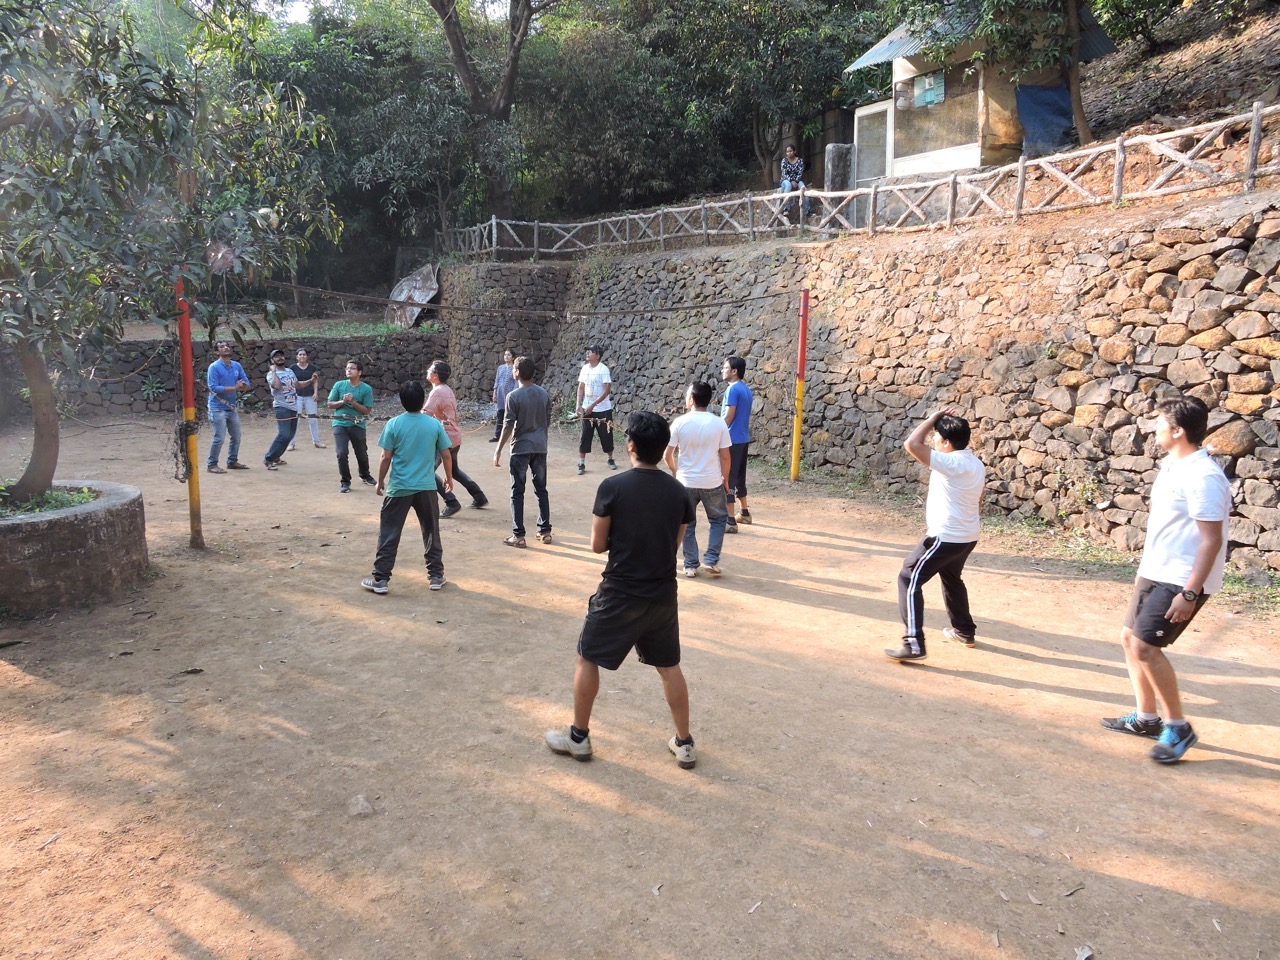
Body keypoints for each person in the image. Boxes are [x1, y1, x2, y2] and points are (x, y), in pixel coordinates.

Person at [544, 411, 698, 769]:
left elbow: (598, 545)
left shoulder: (612, 487)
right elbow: (674, 545)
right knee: (669, 667)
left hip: (619, 592)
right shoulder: (679, 492)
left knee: (587, 658)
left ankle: (579, 738)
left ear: (630, 445)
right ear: (664, 447)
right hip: (662, 594)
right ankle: (684, 742)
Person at [1101, 396, 1230, 764]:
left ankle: (1178, 727)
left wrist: (1190, 593)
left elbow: (1211, 541)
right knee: (1129, 639)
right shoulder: (1173, 464)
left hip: (1181, 579)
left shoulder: (1204, 477)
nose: (1153, 429)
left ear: (1177, 431)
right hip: (1156, 570)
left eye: (1159, 423)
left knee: (1145, 647)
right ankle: (1146, 718)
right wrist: (1145, 570)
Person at [885, 408, 986, 662]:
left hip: (945, 537)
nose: (933, 441)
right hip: (967, 536)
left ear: (947, 443)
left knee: (908, 578)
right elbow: (979, 500)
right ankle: (964, 631)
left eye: (937, 437)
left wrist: (931, 419)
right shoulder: (975, 463)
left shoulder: (951, 462)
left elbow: (911, 444)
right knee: (951, 578)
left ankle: (913, 644)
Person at [361, 380, 453, 595]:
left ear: (402, 401)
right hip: (426, 487)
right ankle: (436, 576)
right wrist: (449, 478)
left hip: (399, 487)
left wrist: (380, 481)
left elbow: (386, 457)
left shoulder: (393, 424)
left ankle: (380, 578)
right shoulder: (433, 425)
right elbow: (446, 454)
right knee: (431, 531)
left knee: (389, 532)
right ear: (423, 400)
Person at [665, 381, 732, 578]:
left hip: (686, 482)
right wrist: (725, 479)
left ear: (692, 399)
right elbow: (725, 456)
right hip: (712, 481)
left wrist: (676, 471)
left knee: (687, 523)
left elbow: (667, 454)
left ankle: (690, 564)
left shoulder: (679, 423)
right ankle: (711, 559)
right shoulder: (718, 423)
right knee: (718, 520)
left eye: (687, 395)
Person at [493, 356, 552, 548]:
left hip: (520, 448)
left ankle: (518, 535)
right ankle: (545, 531)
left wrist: (498, 450)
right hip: (540, 446)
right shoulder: (543, 393)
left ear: (517, 372)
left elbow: (508, 426)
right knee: (541, 489)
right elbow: (547, 419)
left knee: (517, 491)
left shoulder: (513, 396)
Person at [425, 359, 488, 516]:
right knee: (454, 471)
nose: (427, 371)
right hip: (454, 436)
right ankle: (479, 497)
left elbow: (425, 414)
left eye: (430, 370)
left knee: (427, 471)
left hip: (444, 438)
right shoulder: (446, 389)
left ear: (435, 375)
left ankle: (451, 502)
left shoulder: (437, 391)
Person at [327, 359, 376, 493]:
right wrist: (343, 401)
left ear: (359, 372)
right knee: (341, 453)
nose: (349, 370)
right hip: (339, 423)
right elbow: (330, 404)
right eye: (347, 368)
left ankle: (365, 475)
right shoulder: (339, 385)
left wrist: (353, 402)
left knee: (361, 453)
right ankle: (345, 481)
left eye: (352, 368)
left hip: (357, 424)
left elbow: (367, 410)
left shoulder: (366, 389)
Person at [205, 340, 252, 473]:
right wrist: (235, 388)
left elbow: (246, 383)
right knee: (219, 437)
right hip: (217, 407)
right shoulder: (214, 367)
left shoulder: (236, 366)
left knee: (236, 436)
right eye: (222, 347)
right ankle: (211, 464)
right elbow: (213, 388)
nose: (226, 348)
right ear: (216, 352)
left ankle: (232, 461)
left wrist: (244, 386)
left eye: (227, 346)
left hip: (231, 407)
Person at [720, 356, 754, 532]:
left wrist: (716, 431)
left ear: (734, 371)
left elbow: (729, 416)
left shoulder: (732, 389)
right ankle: (744, 512)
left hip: (731, 439)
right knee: (739, 476)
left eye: (725, 367)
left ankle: (730, 520)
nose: (722, 370)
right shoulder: (746, 389)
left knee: (727, 477)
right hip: (742, 438)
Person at [575, 343, 615, 474]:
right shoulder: (584, 369)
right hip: (586, 408)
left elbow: (606, 391)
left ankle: (610, 458)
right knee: (585, 435)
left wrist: (593, 405)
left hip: (603, 409)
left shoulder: (603, 370)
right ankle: (581, 463)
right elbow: (581, 387)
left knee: (606, 435)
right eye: (587, 351)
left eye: (591, 351)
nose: (587, 353)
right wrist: (578, 404)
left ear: (597, 355)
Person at [263, 347, 299, 470]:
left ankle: (276, 457)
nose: (280, 358)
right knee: (283, 434)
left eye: (281, 355)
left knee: (290, 435)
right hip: (282, 407)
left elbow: (297, 385)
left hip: (293, 407)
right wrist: (274, 371)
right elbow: (276, 386)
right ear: (272, 360)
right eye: (276, 356)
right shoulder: (271, 375)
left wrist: (311, 381)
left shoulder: (290, 371)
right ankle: (268, 458)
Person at [289, 347, 324, 450]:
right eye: (300, 354)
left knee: (313, 419)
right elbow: (292, 383)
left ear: (307, 356)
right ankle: (291, 443)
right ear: (297, 357)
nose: (302, 356)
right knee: (296, 420)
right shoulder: (292, 368)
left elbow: (315, 380)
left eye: (304, 354)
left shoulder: (312, 368)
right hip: (297, 396)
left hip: (310, 396)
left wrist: (316, 393)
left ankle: (317, 441)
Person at [490, 349, 517, 442]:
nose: (506, 356)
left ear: (513, 357)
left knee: (510, 416)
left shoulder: (515, 369)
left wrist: (513, 394)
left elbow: (516, 382)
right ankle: (497, 436)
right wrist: (494, 393)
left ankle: (513, 435)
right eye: (505, 354)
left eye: (509, 355)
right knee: (500, 415)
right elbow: (497, 381)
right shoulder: (500, 368)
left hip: (510, 395)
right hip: (500, 395)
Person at [778, 144, 810, 216]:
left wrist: (795, 181)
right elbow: (784, 173)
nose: (789, 153)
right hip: (785, 180)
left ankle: (807, 210)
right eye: (787, 152)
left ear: (794, 151)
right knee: (788, 185)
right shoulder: (784, 161)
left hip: (797, 180)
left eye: (791, 151)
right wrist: (791, 181)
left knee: (803, 188)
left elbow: (800, 173)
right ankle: (786, 208)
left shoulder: (800, 161)